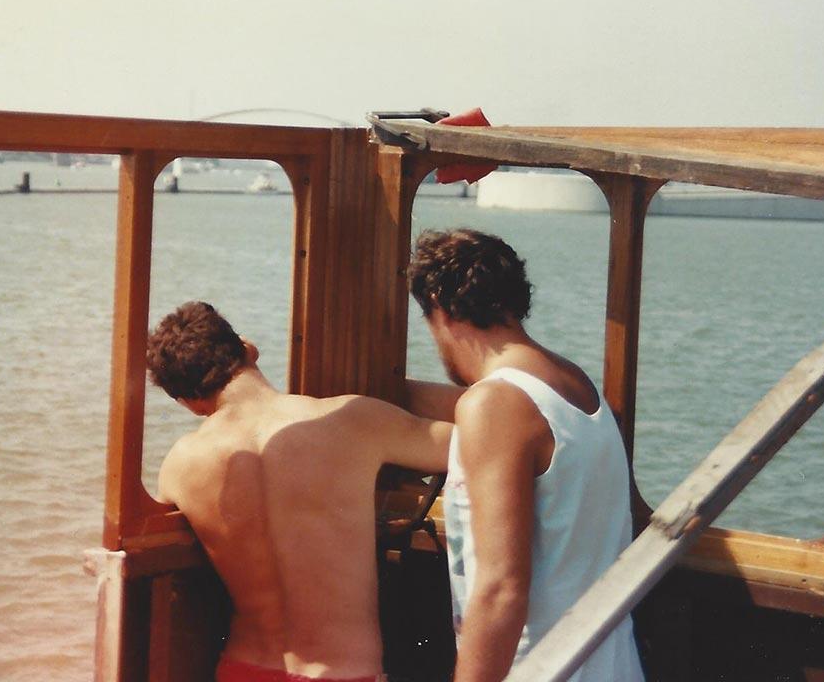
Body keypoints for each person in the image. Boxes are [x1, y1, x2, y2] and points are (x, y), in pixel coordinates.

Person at [147, 301, 452, 682]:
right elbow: (482, 444)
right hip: (341, 673)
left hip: (243, 668)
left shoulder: (180, 464)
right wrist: (411, 391)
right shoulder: (352, 421)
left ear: (191, 404)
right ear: (248, 348)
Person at [405, 229, 644, 682]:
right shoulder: (572, 382)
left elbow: (501, 591)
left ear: (440, 308)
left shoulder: (495, 405)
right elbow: (465, 404)